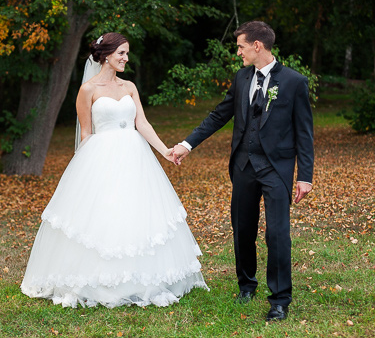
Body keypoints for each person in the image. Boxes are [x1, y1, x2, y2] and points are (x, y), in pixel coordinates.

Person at [20, 32, 208, 308]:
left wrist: (164, 151)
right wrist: (82, 171)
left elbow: (142, 124)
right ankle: (101, 279)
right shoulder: (88, 91)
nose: (125, 58)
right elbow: (85, 133)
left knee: (137, 211)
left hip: (135, 155)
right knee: (105, 212)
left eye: (127, 53)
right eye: (121, 53)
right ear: (106, 54)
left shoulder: (130, 86)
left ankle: (141, 276)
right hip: (102, 155)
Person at [172, 21, 314, 321]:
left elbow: (305, 132)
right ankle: (246, 285)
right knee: (243, 230)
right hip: (243, 165)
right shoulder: (241, 78)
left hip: (277, 167)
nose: (238, 53)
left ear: (257, 46)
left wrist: (305, 176)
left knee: (277, 234)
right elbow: (219, 115)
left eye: (241, 47)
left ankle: (279, 300)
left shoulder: (293, 82)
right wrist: (187, 144)